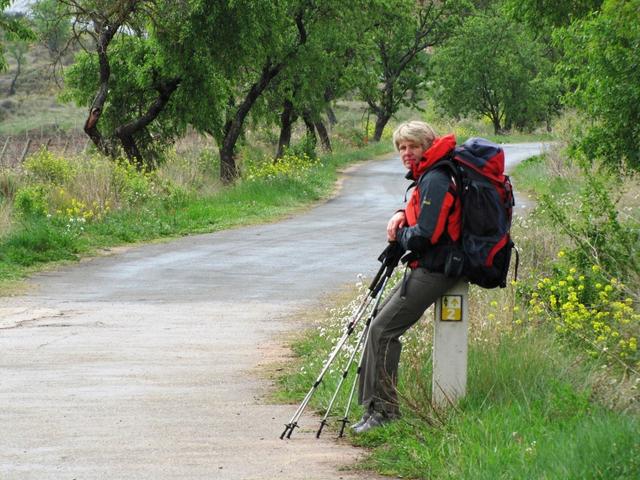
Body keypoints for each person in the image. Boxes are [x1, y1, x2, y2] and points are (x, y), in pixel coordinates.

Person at [353, 120, 461, 433]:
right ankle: (374, 409)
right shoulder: (431, 175)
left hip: (435, 270)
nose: (406, 152)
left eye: (413, 146)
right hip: (427, 267)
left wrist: (399, 235)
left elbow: (424, 236)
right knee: (377, 328)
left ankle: (385, 414)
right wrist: (402, 215)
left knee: (383, 331)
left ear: (428, 145)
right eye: (402, 147)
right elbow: (423, 218)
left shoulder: (437, 177)